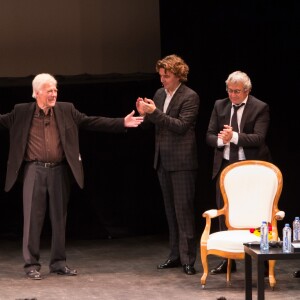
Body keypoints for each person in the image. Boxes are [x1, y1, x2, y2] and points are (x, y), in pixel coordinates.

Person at [0, 73, 143, 280]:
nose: (54, 94)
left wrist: (121, 122)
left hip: (59, 170)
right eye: (50, 90)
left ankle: (58, 263)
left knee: (59, 218)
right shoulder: (21, 112)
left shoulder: (66, 109)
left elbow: (91, 121)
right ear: (37, 92)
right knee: (32, 219)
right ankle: (31, 264)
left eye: (56, 90)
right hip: (34, 170)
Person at [136, 54, 200, 275]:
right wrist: (143, 114)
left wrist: (156, 113)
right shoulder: (159, 94)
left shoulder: (190, 96)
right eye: (161, 75)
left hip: (182, 162)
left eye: (167, 75)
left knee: (183, 212)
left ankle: (189, 259)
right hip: (162, 160)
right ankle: (175, 255)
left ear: (178, 75)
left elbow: (181, 126)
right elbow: (152, 124)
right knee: (171, 212)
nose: (162, 79)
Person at [206, 70, 271, 275]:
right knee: (224, 211)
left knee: (256, 213)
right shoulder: (220, 105)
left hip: (251, 167)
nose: (232, 95)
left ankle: (260, 259)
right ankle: (228, 261)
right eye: (229, 90)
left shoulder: (260, 107)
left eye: (237, 91)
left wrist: (233, 136)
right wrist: (221, 140)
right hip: (226, 166)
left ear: (247, 91)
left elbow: (258, 138)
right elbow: (208, 135)